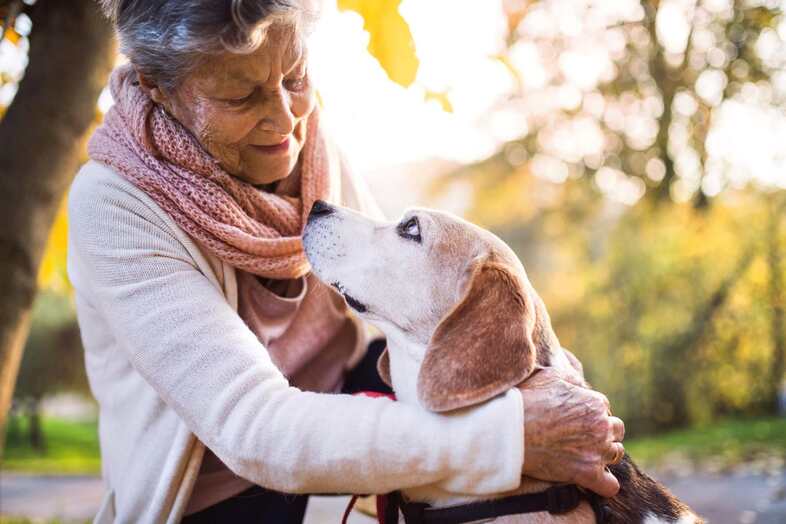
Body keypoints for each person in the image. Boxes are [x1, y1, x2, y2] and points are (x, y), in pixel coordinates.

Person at [67, 1, 625, 521]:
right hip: (225, 492)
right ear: (156, 87)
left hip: (357, 394)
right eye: (241, 97)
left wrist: (549, 393)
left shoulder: (306, 138)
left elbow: (396, 297)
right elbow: (254, 430)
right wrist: (508, 435)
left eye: (296, 77)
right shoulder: (113, 205)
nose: (286, 120)